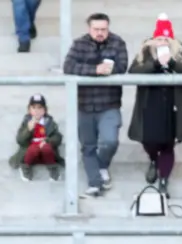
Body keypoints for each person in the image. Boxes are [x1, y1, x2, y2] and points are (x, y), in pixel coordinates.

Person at [127, 13, 182, 198]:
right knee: (148, 140)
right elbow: (134, 71)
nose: (162, 42)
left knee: (168, 144)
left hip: (173, 104)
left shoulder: (180, 51)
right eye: (159, 38)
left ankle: (164, 179)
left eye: (166, 38)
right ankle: (153, 159)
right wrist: (157, 64)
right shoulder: (145, 52)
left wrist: (172, 62)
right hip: (150, 103)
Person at [63, 13, 128, 198]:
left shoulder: (117, 42)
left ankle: (101, 165)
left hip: (109, 103)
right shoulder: (79, 44)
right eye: (96, 29)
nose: (100, 33)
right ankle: (95, 183)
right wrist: (95, 70)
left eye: (103, 29)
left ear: (108, 28)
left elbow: (123, 66)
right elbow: (68, 67)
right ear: (89, 28)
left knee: (110, 141)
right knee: (88, 146)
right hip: (84, 104)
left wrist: (110, 70)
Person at [9, 94, 64, 182]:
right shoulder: (26, 122)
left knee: (46, 147)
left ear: (44, 110)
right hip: (31, 153)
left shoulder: (49, 122)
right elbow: (20, 140)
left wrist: (47, 140)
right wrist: (28, 130)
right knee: (33, 148)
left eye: (40, 108)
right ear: (29, 110)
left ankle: (53, 169)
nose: (37, 111)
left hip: (45, 153)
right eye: (34, 108)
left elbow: (58, 137)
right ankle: (26, 168)